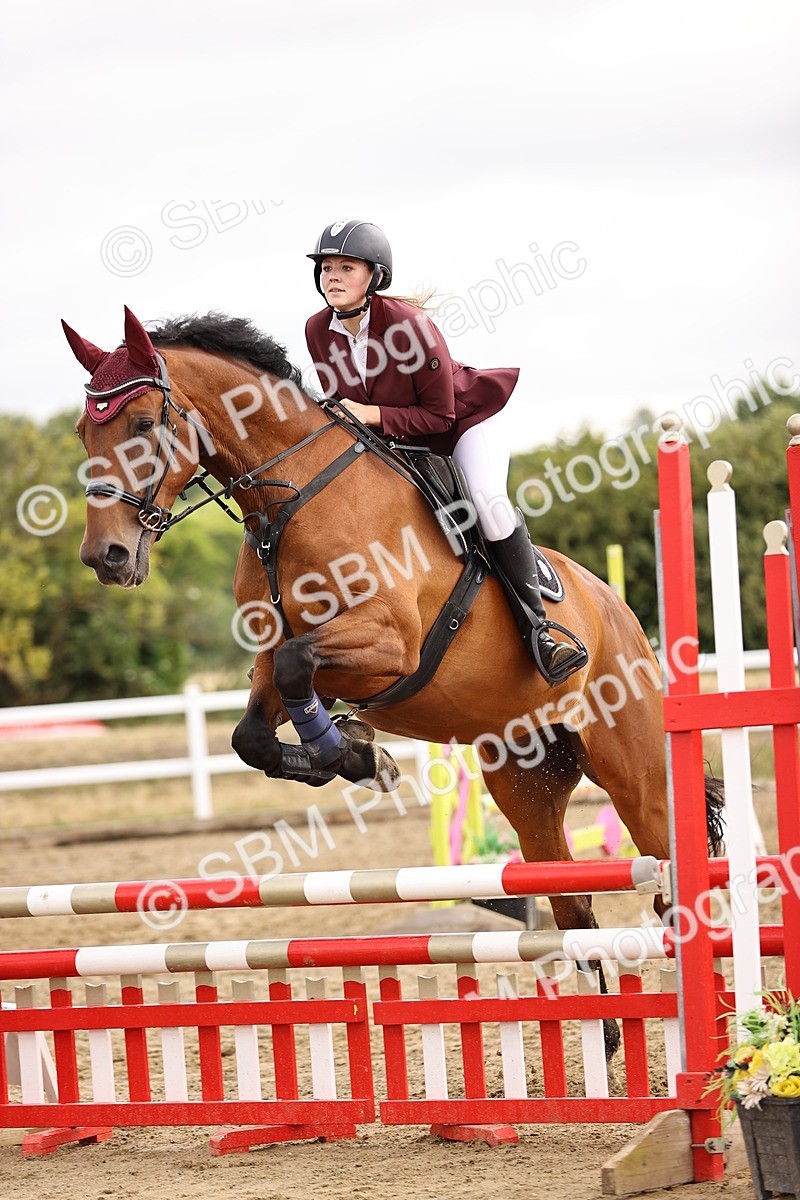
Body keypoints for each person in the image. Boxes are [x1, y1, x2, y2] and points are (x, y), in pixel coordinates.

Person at [305, 219, 585, 683]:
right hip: (403, 443)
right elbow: (347, 413)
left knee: (490, 506)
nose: (332, 276)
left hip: (465, 424)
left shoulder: (410, 326)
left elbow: (439, 417)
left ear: (375, 276)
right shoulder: (319, 329)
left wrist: (371, 415)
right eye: (326, 268)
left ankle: (542, 630)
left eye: (345, 267)